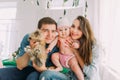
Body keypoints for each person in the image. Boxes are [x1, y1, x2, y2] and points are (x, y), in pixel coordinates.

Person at [0, 17, 68, 80]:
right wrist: (31, 49)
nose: (50, 35)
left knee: (32, 77)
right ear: (38, 31)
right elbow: (20, 66)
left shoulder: (57, 44)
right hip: (26, 68)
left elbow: (49, 68)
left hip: (44, 71)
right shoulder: (29, 38)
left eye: (53, 31)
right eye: (45, 31)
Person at [39, 15, 100, 80]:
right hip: (65, 65)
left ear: (84, 31)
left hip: (73, 62)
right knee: (53, 58)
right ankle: (59, 67)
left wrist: (75, 50)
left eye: (79, 28)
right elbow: (53, 42)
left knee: (74, 65)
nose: (74, 31)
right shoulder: (60, 37)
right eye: (73, 26)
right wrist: (49, 48)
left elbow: (91, 74)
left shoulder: (93, 45)